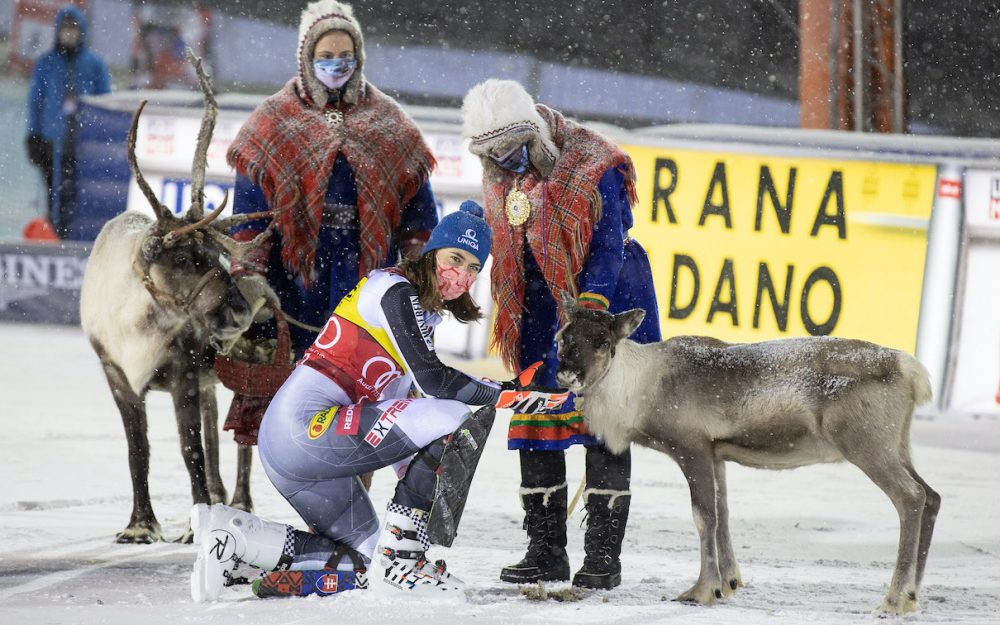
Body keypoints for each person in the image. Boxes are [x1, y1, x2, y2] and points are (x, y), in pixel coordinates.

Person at [190, 202, 569, 601]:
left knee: (365, 564)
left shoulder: (419, 315)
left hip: (306, 446)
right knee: (455, 416)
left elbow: (406, 416)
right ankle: (404, 557)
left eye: (474, 267)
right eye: (455, 258)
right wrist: (505, 394)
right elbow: (435, 381)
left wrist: (421, 484)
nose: (463, 274)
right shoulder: (394, 289)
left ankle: (237, 547)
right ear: (431, 253)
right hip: (301, 430)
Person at [460, 79, 663, 590]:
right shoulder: (498, 172)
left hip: (602, 301)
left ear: (531, 132)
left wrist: (591, 308)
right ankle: (545, 550)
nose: (503, 161)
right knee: (538, 419)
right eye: (491, 154)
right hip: (537, 312)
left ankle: (602, 557)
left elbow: (610, 244)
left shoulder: (595, 162)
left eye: (508, 149)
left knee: (605, 425)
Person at [223, 0, 439, 443]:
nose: (336, 65)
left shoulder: (391, 124)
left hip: (365, 278)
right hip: (295, 282)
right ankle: (308, 482)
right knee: (299, 391)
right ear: (306, 58)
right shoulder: (272, 122)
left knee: (362, 394)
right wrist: (248, 278)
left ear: (360, 57)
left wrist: (422, 278)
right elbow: (248, 217)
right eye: (325, 57)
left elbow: (418, 216)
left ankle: (353, 488)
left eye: (346, 56)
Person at [24, 4, 111, 239]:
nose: (69, 33)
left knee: (80, 194)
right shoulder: (46, 63)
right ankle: (55, 235)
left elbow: (105, 103)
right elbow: (36, 102)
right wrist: (33, 134)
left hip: (84, 145)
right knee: (54, 193)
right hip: (51, 142)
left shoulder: (94, 65)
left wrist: (102, 139)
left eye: (73, 28)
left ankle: (76, 237)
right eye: (65, 28)